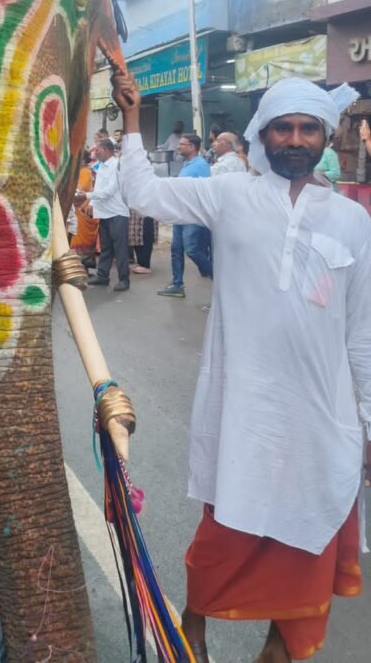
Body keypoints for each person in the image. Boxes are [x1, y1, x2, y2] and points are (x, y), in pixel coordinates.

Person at [113, 73, 371, 663]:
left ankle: (276, 652)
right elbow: (145, 195)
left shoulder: (353, 222)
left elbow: (362, 332)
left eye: (309, 128)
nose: (296, 139)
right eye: (284, 127)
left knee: (308, 541)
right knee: (225, 537)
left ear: (325, 135)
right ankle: (192, 628)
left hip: (322, 422)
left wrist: (370, 424)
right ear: (264, 134)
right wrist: (131, 123)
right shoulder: (230, 197)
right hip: (245, 413)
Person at [157, 133, 213, 298]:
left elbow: (204, 191)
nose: (177, 147)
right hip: (181, 214)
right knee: (176, 249)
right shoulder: (187, 164)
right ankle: (177, 284)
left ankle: (218, 277)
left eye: (182, 144)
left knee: (192, 249)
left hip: (192, 215)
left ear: (192, 147)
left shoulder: (201, 165)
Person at [77, 138, 130, 291]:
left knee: (119, 248)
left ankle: (124, 280)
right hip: (104, 212)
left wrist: (86, 196)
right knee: (106, 247)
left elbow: (109, 191)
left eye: (98, 150)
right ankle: (102, 276)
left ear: (107, 150)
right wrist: (92, 204)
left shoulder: (116, 166)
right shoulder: (101, 167)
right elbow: (99, 187)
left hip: (117, 213)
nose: (95, 152)